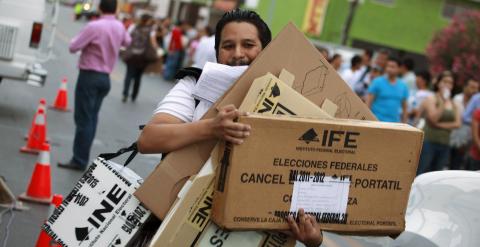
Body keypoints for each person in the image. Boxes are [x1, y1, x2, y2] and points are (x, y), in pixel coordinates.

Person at [137, 8, 322, 246]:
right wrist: (211, 128)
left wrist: (314, 238)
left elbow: (310, 179)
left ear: (266, 50)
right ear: (217, 52)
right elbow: (148, 140)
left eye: (248, 45)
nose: (238, 54)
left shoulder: (297, 101)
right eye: (228, 46)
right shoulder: (192, 86)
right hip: (180, 226)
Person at [58, 0, 131, 171]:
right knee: (92, 118)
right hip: (105, 77)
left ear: (100, 8)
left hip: (89, 75)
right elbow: (127, 42)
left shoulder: (94, 26)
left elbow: (73, 46)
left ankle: (79, 159)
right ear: (115, 9)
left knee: (84, 119)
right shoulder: (119, 26)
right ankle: (82, 157)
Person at [417, 71, 461, 175]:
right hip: (429, 141)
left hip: (445, 143)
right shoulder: (431, 98)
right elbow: (433, 118)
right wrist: (443, 102)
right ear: (438, 83)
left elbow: (457, 123)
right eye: (445, 81)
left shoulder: (454, 103)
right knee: (422, 172)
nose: (447, 85)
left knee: (437, 174)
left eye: (450, 83)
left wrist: (439, 126)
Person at [122, 14, 158, 102]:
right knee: (138, 77)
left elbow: (128, 38)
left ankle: (125, 94)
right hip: (142, 57)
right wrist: (157, 49)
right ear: (148, 20)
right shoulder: (151, 30)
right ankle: (134, 95)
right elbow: (154, 44)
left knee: (128, 75)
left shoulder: (133, 27)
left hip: (131, 55)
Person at [366, 57, 409, 123]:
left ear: (399, 69)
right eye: (388, 66)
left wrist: (405, 124)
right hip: (376, 121)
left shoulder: (403, 86)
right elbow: (368, 103)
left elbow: (405, 108)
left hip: (394, 123)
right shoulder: (377, 82)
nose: (389, 69)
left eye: (392, 67)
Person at [449, 78, 480, 169]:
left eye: (476, 88)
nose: (474, 90)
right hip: (467, 131)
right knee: (457, 158)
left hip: (472, 133)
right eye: (472, 87)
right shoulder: (476, 98)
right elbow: (465, 116)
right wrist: (475, 122)